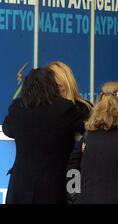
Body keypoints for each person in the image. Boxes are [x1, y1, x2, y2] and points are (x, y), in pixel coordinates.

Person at [2, 67, 86, 203]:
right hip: (53, 188)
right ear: (51, 85)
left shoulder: (18, 107)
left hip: (20, 188)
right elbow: (87, 126)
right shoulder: (64, 108)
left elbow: (7, 130)